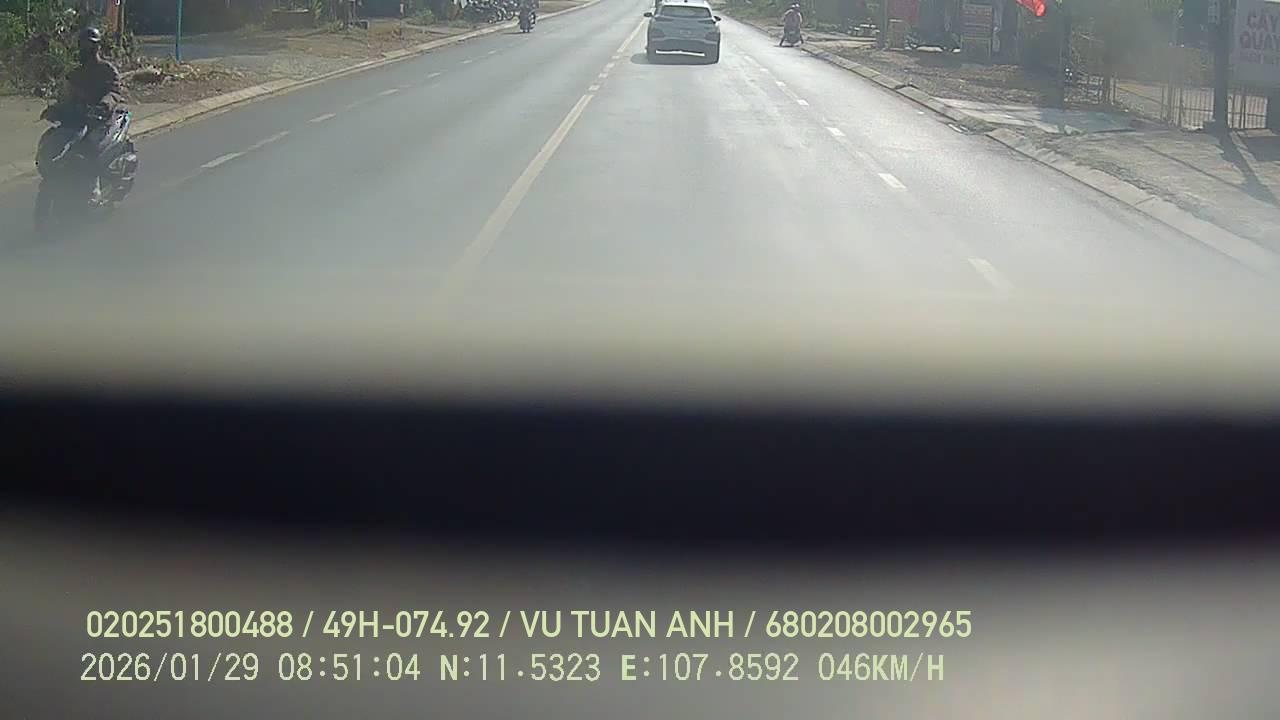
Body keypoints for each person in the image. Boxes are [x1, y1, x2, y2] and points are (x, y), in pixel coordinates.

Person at [44, 27, 126, 203]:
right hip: (78, 119)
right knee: (55, 141)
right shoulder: (75, 74)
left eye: (89, 45)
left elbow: (114, 92)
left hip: (101, 119)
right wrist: (55, 109)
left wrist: (104, 105)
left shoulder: (107, 70)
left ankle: (94, 187)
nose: (85, 49)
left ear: (97, 47)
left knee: (91, 147)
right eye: (82, 45)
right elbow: (66, 96)